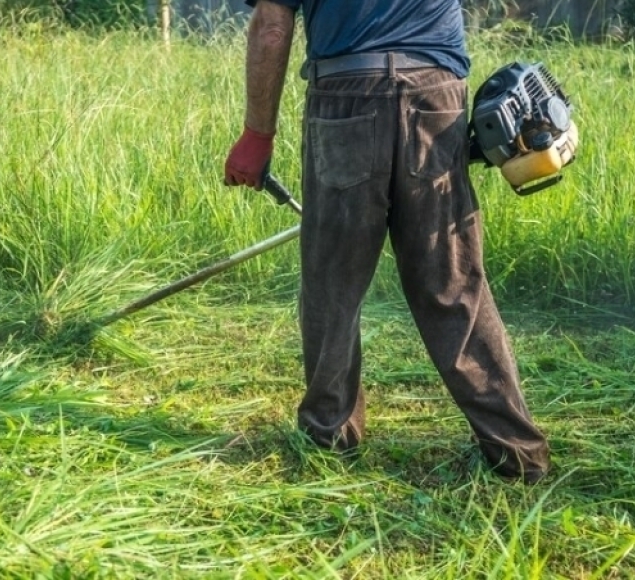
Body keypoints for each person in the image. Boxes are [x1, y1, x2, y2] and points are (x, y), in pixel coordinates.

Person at [223, 0, 551, 484]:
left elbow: (271, 26)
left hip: (346, 94)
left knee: (332, 283)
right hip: (436, 96)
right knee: (453, 284)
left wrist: (257, 134)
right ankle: (518, 455)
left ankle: (328, 440)